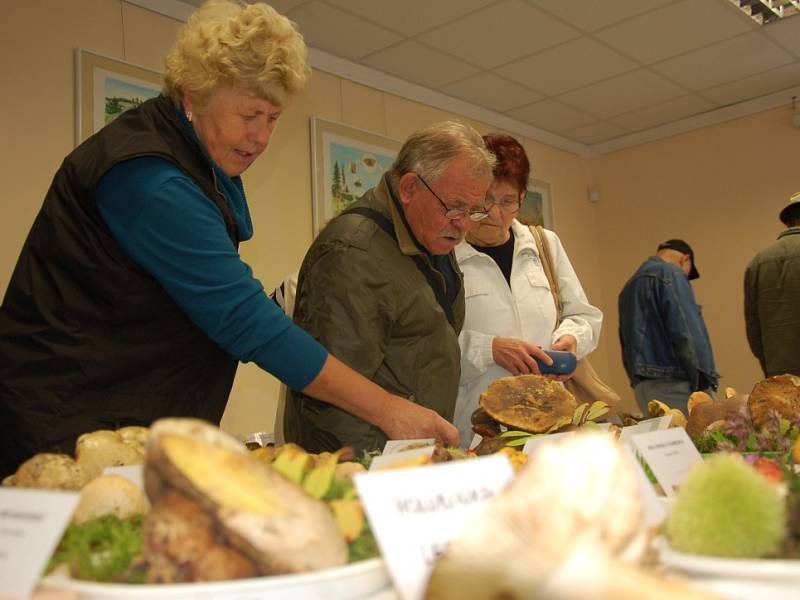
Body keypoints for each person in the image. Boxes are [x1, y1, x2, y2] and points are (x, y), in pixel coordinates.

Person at [0, 0, 457, 478]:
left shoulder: (201, 163)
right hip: (65, 428)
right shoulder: (150, 178)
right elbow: (245, 321)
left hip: (126, 422)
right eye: (249, 114)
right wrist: (388, 409)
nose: (260, 137)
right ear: (193, 95)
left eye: (273, 118)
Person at [283, 121, 495, 453]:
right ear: (409, 187)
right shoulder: (354, 253)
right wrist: (379, 482)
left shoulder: (431, 238)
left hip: (412, 456)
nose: (465, 225)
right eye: (454, 208)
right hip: (373, 469)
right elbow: (333, 402)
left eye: (474, 211)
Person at [453, 133, 602, 447]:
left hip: (550, 421)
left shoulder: (545, 244)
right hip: (477, 426)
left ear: (522, 199)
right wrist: (488, 349)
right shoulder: (448, 254)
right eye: (485, 201)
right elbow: (429, 343)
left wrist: (572, 339)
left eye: (507, 202)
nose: (495, 214)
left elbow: (585, 317)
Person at [618, 239, 718, 416]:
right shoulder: (671, 272)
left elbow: (625, 342)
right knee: (701, 442)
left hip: (644, 388)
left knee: (665, 442)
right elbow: (687, 329)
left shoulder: (628, 287)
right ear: (684, 260)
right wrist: (703, 382)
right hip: (677, 385)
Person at [744, 191, 800, 377]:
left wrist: (773, 366)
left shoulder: (758, 262)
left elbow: (754, 330)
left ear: (788, 221)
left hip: (780, 376)